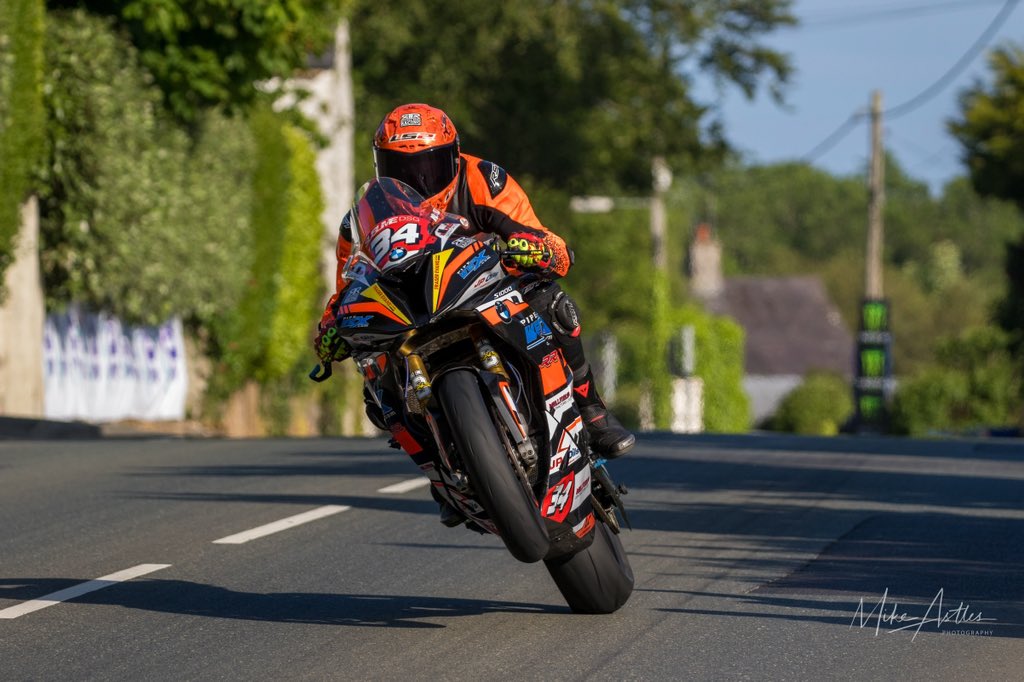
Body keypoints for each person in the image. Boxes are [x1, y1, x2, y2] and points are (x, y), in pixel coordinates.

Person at [315, 102, 634, 462]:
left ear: (453, 157)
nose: (417, 182)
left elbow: (541, 237)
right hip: (410, 311)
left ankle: (592, 411)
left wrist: (542, 250)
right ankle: (438, 467)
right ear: (380, 166)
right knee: (375, 380)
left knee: (553, 305)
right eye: (401, 171)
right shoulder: (364, 216)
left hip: (486, 288)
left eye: (428, 166)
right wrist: (331, 327)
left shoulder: (482, 179)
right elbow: (348, 287)